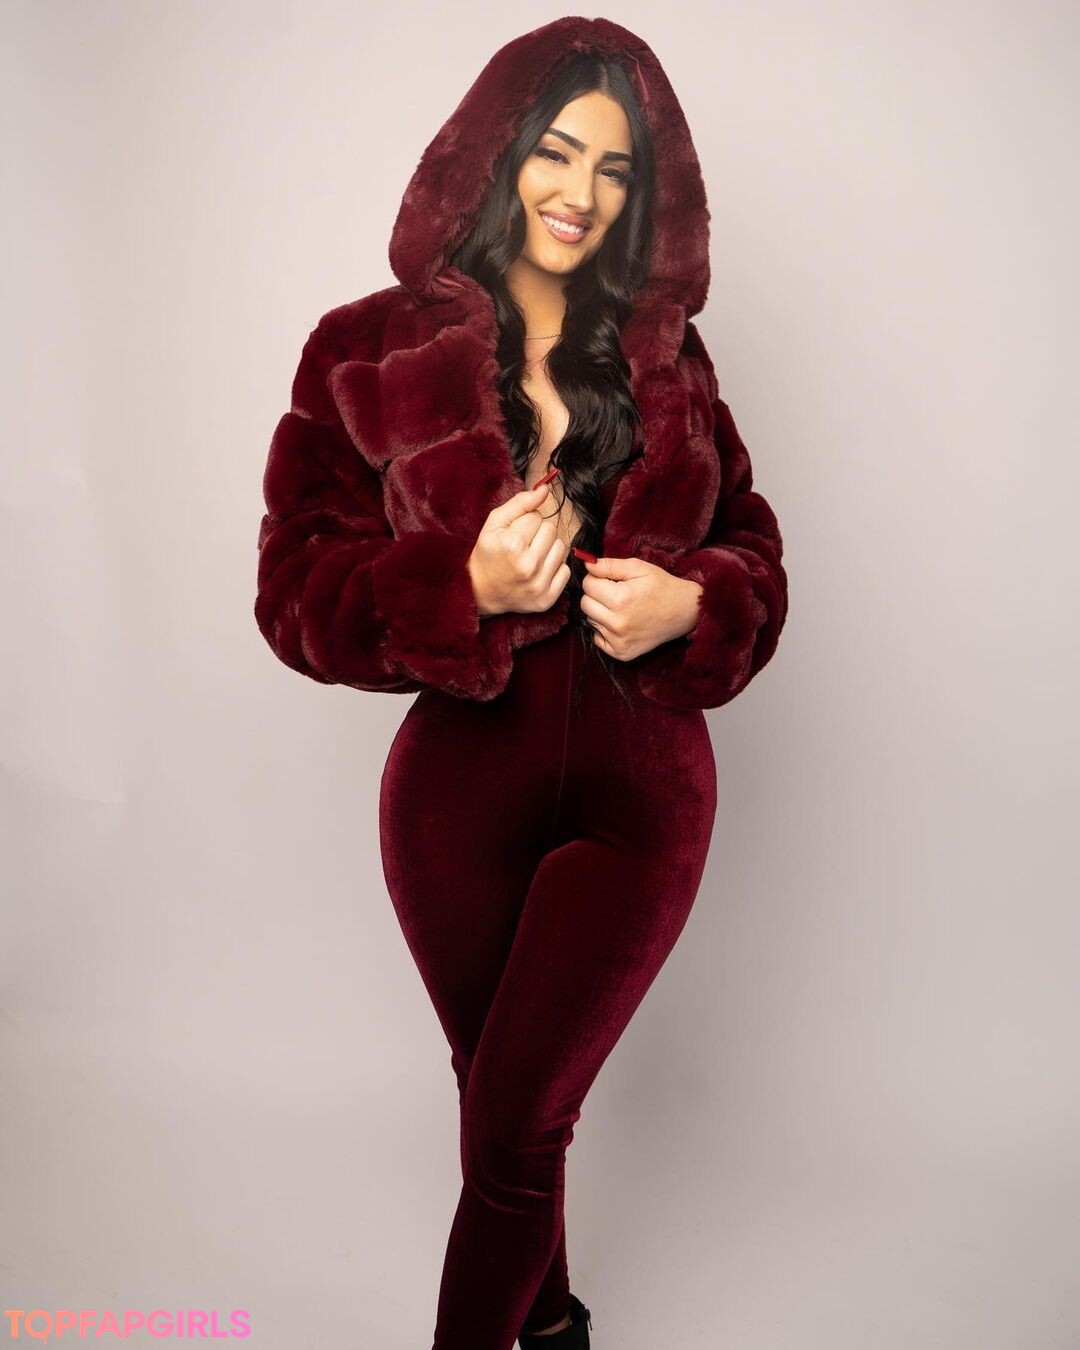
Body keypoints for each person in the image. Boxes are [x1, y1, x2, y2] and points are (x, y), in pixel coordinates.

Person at [254, 17, 789, 1349]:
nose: (580, 192)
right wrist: (463, 585)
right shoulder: (362, 351)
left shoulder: (672, 361)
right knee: (500, 1109)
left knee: (516, 1125)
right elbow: (292, 591)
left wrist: (697, 600)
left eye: (615, 169)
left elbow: (754, 548)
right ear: (495, 153)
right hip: (457, 797)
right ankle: (552, 1332)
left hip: (646, 789)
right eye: (556, 152)